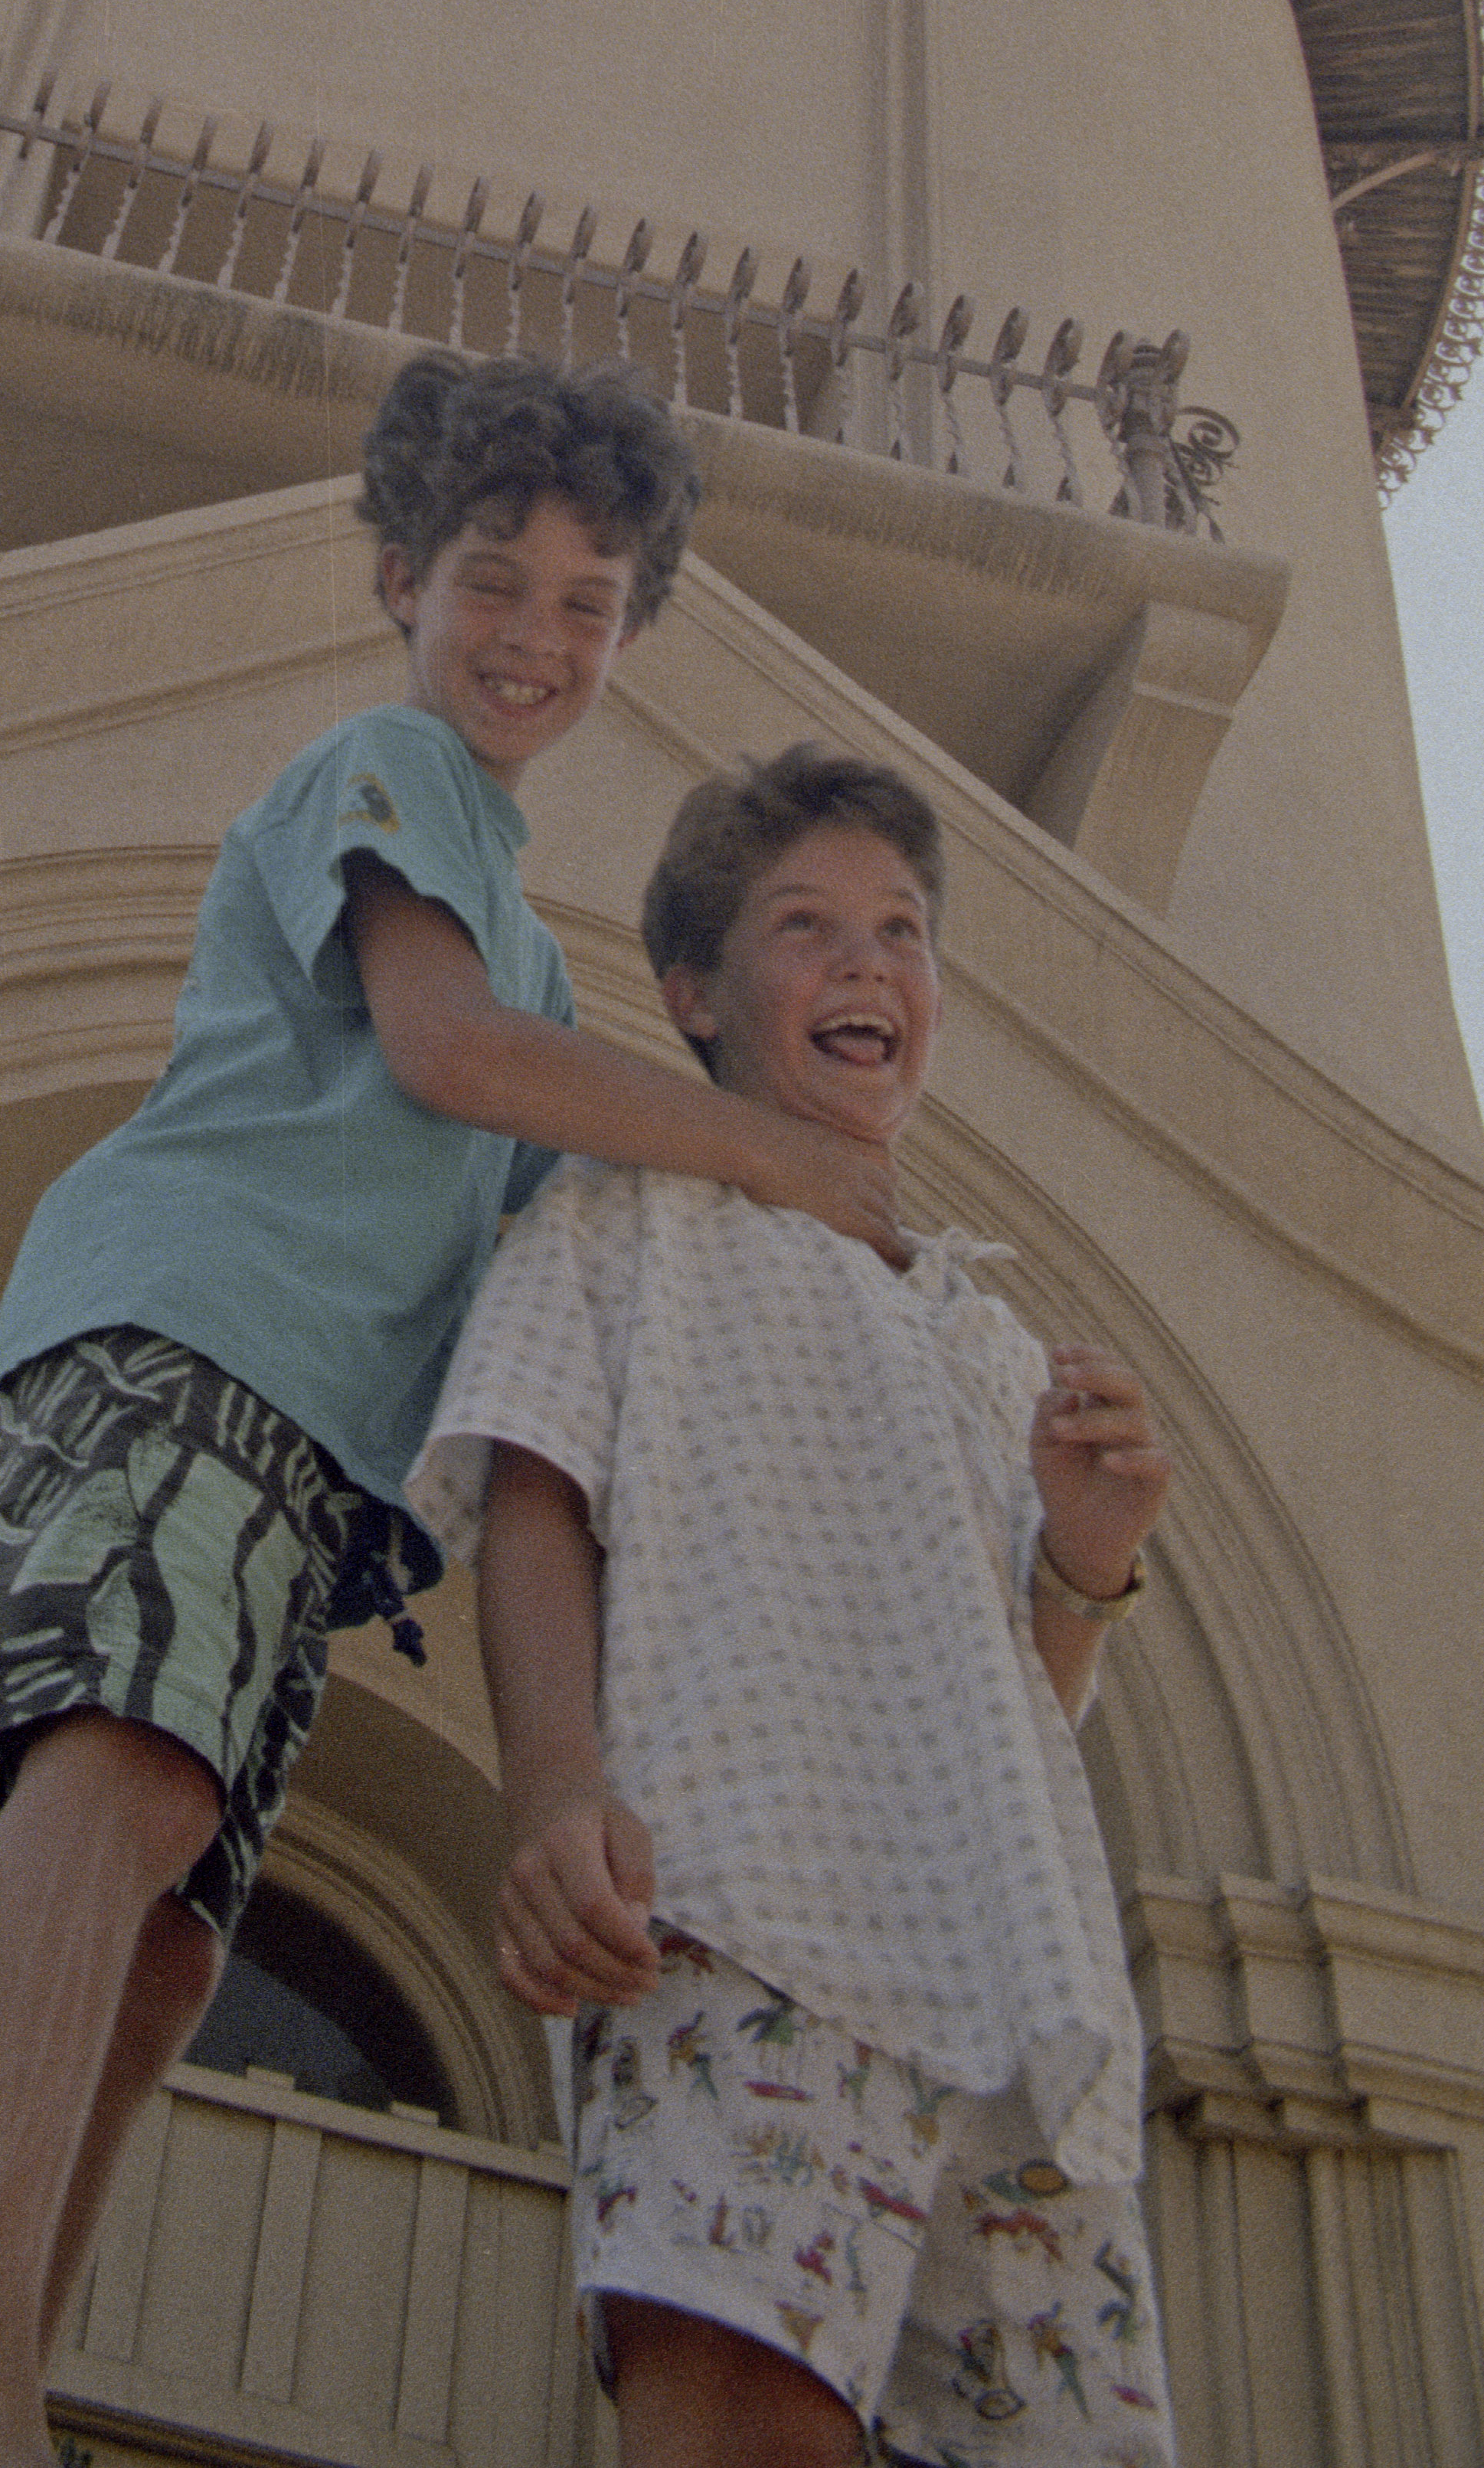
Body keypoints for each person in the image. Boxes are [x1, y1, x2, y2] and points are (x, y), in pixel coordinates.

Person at [0, 362, 917, 2468]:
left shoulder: (542, 968)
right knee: (116, 1787)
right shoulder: (388, 768)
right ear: (400, 577)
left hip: (302, 1463)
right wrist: (774, 1148)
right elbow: (439, 1046)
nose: (534, 633)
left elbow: (575, 1238)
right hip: (184, 1329)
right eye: (493, 578)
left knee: (163, 1945)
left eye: (587, 601)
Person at [412, 742, 1176, 2468]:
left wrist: (1084, 1560)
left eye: (902, 930)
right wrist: (553, 1786)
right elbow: (535, 1492)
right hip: (739, 1923)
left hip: (1010, 1988)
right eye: (806, 925)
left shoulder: (983, 1334)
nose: (867, 963)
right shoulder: (627, 1219)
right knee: (748, 2427)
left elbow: (1023, 1703)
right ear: (694, 991)